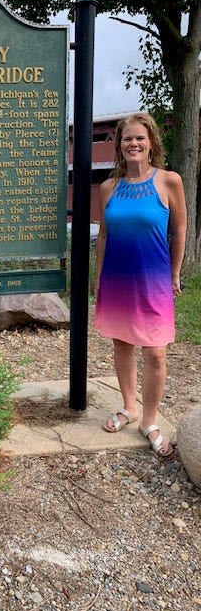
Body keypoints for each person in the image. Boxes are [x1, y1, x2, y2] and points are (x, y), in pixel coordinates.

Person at [94, 112, 187, 456]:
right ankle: (129, 407)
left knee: (156, 354)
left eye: (140, 138)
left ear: (151, 144)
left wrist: (174, 272)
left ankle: (149, 420)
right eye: (127, 139)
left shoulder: (169, 181)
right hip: (117, 280)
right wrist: (100, 277)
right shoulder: (108, 188)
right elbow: (102, 235)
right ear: (119, 146)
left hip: (154, 280)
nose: (133, 144)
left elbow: (178, 231)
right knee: (122, 345)